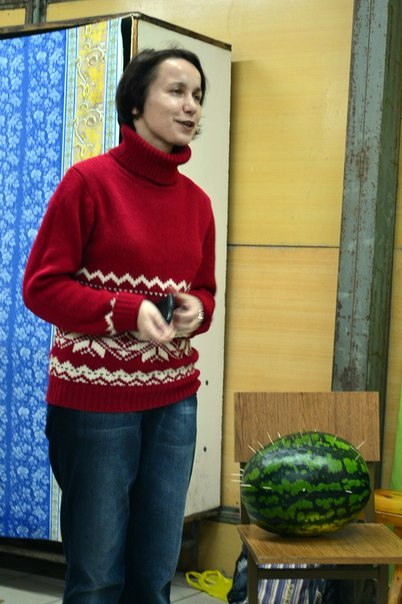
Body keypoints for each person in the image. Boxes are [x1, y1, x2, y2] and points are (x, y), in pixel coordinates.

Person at [22, 47, 216, 604]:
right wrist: (127, 312)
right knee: (99, 577)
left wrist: (197, 310)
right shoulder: (88, 183)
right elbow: (42, 286)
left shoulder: (198, 203)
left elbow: (205, 291)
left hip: (174, 401)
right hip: (95, 404)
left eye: (197, 95)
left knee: (155, 573)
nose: (191, 106)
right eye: (176, 91)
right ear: (135, 103)